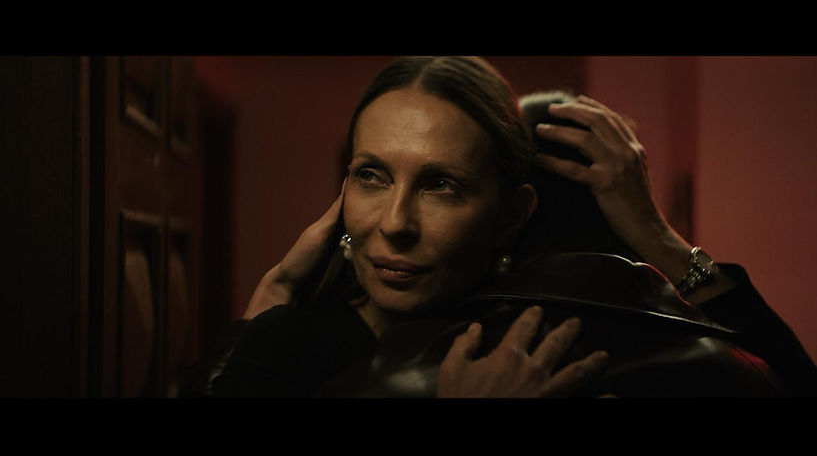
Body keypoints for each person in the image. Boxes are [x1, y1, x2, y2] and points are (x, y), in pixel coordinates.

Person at [196, 56, 816, 398]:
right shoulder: (286, 342)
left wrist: (655, 235)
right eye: (373, 176)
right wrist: (273, 299)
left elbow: (788, 385)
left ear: (512, 215)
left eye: (442, 185)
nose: (396, 223)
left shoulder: (550, 341)